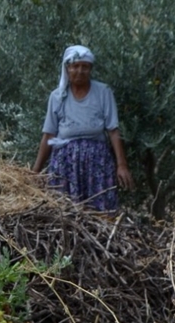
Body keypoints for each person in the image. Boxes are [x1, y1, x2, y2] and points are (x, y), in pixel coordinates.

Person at [32, 44, 134, 213]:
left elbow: (113, 131)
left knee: (100, 213)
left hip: (97, 162)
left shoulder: (103, 92)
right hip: (65, 163)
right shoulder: (57, 97)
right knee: (64, 212)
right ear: (67, 68)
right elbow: (49, 135)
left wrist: (121, 165)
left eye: (85, 67)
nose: (80, 71)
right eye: (75, 66)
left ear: (90, 69)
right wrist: (35, 173)